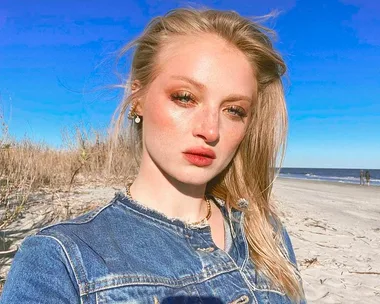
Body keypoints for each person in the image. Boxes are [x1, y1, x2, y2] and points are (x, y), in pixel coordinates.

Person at [0, 8, 305, 304]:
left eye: (234, 110)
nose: (210, 130)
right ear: (138, 100)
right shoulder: (62, 258)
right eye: (185, 98)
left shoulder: (265, 234)